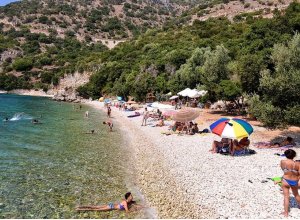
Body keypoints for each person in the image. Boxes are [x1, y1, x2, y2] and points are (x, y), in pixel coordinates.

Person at [279, 149, 300, 217]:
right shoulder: (297, 164)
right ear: (294, 155)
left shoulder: (282, 162)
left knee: (286, 197)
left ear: (285, 155)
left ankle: (286, 213)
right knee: (296, 195)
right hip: (294, 180)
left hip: (285, 180)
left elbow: (283, 169)